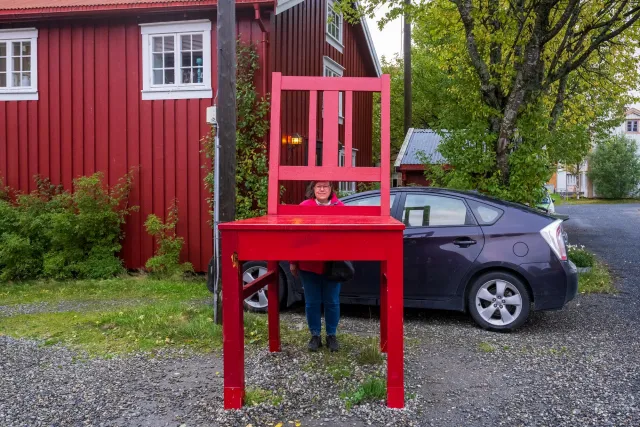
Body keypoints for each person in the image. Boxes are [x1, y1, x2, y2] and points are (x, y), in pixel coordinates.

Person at [289, 181, 344, 352]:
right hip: (308, 263)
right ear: (313, 189)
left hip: (333, 264)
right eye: (318, 186)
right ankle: (315, 335)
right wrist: (293, 260)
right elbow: (295, 236)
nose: (322, 189)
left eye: (325, 186)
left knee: (332, 301)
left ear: (331, 189)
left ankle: (331, 335)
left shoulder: (340, 207)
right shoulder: (304, 206)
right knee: (312, 302)